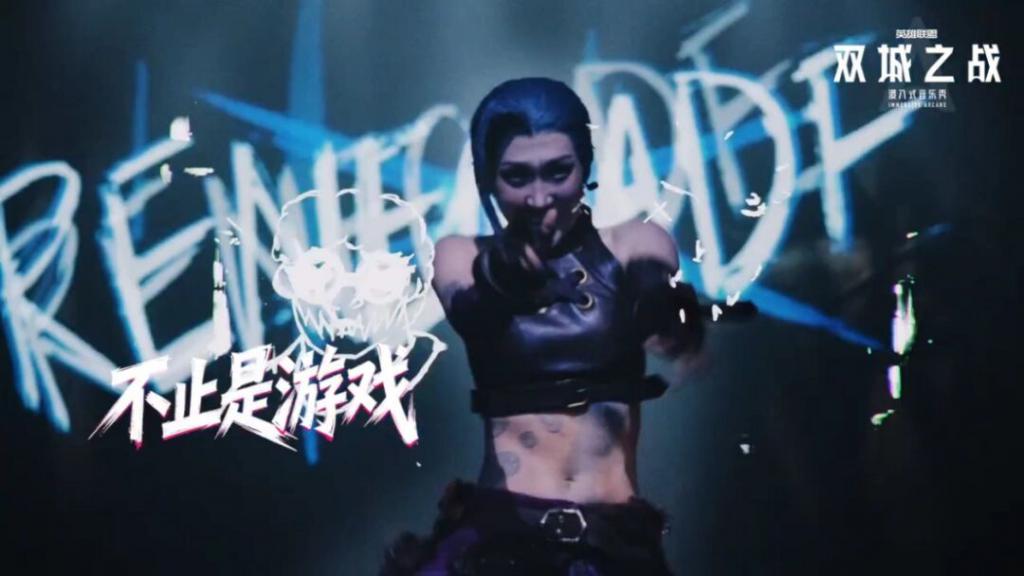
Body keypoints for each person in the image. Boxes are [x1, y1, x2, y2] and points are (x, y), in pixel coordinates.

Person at [381, 77, 707, 576]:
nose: (539, 198)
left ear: (585, 168)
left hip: (612, 540)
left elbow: (653, 291)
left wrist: (669, 315)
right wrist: (505, 272)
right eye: (517, 177)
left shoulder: (635, 242)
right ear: (488, 179)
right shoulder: (459, 255)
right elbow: (471, 311)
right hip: (501, 536)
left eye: (558, 172)